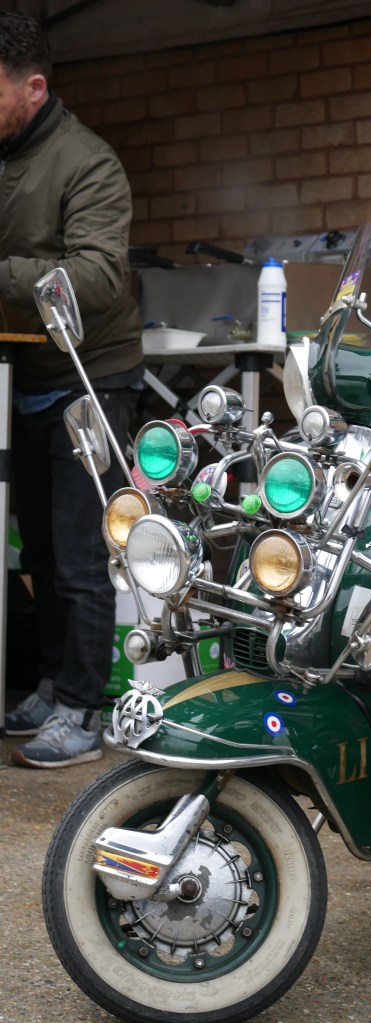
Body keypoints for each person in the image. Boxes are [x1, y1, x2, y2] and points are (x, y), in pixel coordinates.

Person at [0, 12, 143, 767]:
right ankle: (54, 684)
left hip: (90, 378)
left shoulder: (89, 162)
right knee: (41, 552)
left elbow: (95, 275)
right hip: (21, 377)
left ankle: (84, 710)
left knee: (83, 556)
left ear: (34, 87)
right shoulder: (8, 152)